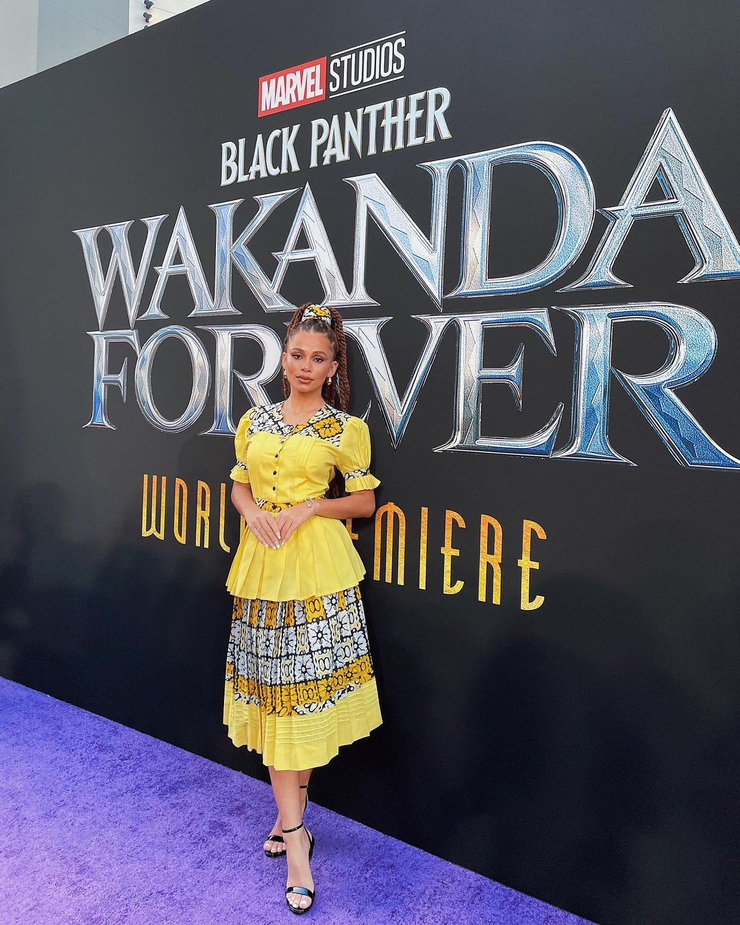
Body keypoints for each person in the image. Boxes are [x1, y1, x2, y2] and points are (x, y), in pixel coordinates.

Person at [223, 302, 383, 914]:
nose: (305, 366)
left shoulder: (344, 429)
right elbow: (239, 483)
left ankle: (294, 836)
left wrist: (311, 507)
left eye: (318, 358)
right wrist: (251, 512)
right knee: (275, 704)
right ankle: (295, 831)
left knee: (300, 708)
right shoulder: (255, 420)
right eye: (297, 355)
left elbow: (364, 503)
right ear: (283, 357)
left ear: (333, 366)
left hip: (317, 572)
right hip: (262, 570)